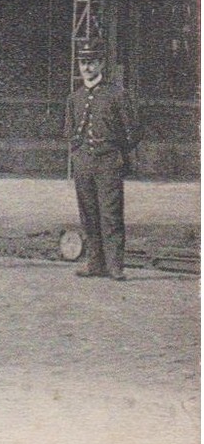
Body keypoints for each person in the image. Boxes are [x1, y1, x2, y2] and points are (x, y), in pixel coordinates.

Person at [66, 36, 138, 281]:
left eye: (92, 62)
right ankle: (94, 263)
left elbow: (133, 132)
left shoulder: (117, 95)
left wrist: (115, 152)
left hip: (108, 163)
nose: (87, 67)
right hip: (84, 163)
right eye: (83, 62)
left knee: (111, 214)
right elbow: (69, 131)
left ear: (101, 65)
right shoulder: (74, 98)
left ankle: (115, 266)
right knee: (88, 214)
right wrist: (79, 154)